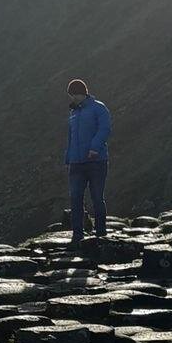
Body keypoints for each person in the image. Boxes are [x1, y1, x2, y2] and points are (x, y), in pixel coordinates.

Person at [64, 79, 112, 250]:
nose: (72, 98)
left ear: (81, 93)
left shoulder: (98, 108)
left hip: (96, 161)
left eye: (74, 95)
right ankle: (77, 236)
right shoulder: (74, 113)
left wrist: (94, 148)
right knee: (75, 198)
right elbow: (70, 138)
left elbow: (105, 129)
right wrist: (68, 159)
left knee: (97, 197)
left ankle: (100, 233)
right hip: (76, 163)